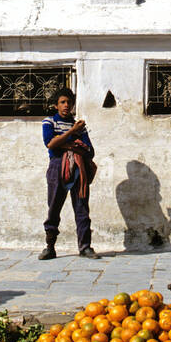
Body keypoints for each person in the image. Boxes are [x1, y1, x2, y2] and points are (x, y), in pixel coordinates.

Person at [40, 87, 98, 260]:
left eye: (69, 103)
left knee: (82, 208)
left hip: (78, 169)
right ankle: (50, 246)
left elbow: (89, 150)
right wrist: (72, 134)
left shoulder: (79, 125)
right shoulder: (50, 122)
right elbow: (50, 144)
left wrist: (65, 144)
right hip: (57, 166)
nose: (66, 106)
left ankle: (85, 247)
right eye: (62, 102)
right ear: (56, 105)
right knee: (54, 207)